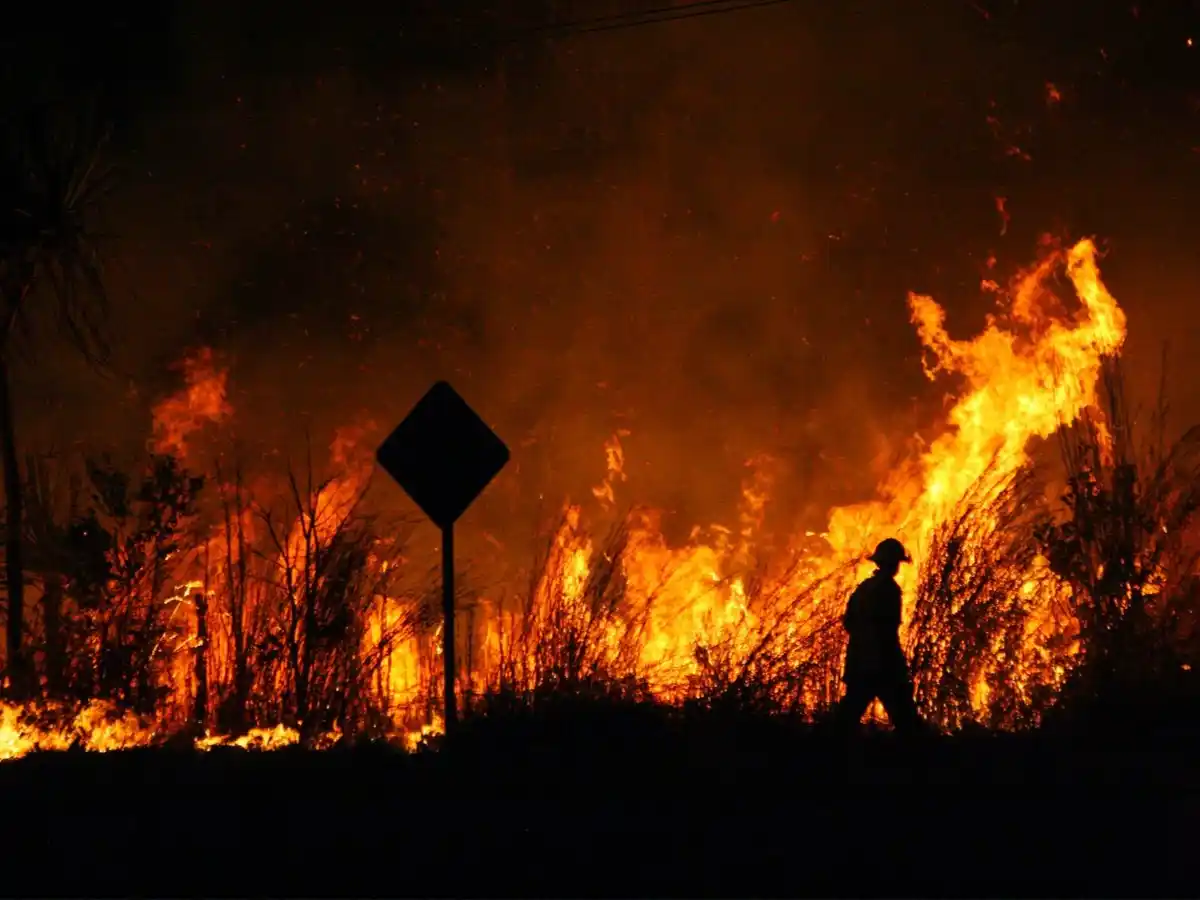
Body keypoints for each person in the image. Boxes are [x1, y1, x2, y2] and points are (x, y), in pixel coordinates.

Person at [834, 537, 923, 734]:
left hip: (860, 662)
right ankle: (920, 751)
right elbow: (888, 630)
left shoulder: (864, 588)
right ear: (893, 564)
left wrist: (862, 645)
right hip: (883, 665)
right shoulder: (890, 589)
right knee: (906, 719)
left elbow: (849, 622)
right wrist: (897, 664)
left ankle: (824, 747)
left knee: (847, 716)